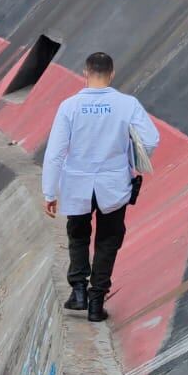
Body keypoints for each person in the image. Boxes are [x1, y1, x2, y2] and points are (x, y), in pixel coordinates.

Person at [42, 52, 160, 323]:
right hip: (113, 182)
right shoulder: (126, 104)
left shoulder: (69, 106)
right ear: (112, 73)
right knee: (109, 239)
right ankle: (96, 302)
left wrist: (50, 191)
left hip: (77, 182)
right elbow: (151, 139)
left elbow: (55, 153)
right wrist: (131, 160)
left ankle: (79, 291)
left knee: (78, 234)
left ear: (85, 73)